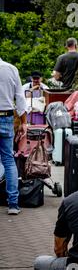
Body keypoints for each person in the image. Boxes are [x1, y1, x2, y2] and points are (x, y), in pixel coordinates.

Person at [0, 58, 27, 215]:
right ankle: (13, 205)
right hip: (6, 117)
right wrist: (24, 122)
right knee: (9, 160)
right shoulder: (11, 69)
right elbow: (20, 98)